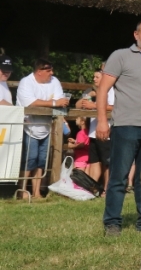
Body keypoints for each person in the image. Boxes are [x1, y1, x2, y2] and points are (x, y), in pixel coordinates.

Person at [98, 20, 141, 236]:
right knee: (119, 177)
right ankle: (112, 223)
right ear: (136, 35)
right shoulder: (120, 56)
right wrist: (103, 121)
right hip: (126, 125)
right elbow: (103, 90)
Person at [16, 58, 70, 199]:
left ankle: (36, 192)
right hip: (28, 126)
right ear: (39, 71)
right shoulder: (26, 82)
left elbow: (61, 101)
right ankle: (22, 192)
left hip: (46, 127)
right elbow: (31, 103)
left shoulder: (54, 81)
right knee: (29, 160)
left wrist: (55, 103)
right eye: (48, 70)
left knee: (41, 161)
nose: (51, 73)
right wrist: (53, 103)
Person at [77, 69, 114, 193]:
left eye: (97, 77)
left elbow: (115, 107)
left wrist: (94, 106)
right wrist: (88, 96)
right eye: (93, 77)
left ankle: (107, 189)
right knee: (94, 161)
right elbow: (77, 105)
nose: (94, 79)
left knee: (107, 163)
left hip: (106, 131)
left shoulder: (112, 90)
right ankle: (91, 189)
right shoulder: (92, 92)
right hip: (93, 132)